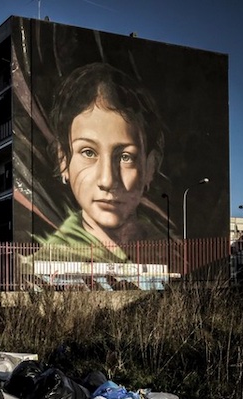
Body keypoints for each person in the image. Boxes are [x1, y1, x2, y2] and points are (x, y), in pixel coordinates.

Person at [35, 62, 173, 262]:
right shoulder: (43, 266)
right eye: (88, 152)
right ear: (63, 160)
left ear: (150, 165)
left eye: (126, 157)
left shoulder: (171, 252)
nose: (107, 180)